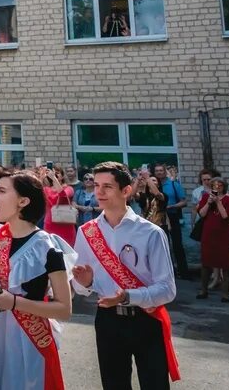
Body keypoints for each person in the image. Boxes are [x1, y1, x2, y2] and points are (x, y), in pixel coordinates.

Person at [72, 161, 179, 390]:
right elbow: (81, 287)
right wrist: (86, 282)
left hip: (146, 318)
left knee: (154, 383)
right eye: (96, 185)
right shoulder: (86, 232)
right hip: (108, 319)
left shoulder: (150, 232)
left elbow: (167, 289)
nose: (98, 192)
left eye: (107, 186)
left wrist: (127, 296)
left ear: (126, 190)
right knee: (114, 384)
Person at [0, 171, 75, 390]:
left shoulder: (46, 247)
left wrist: (14, 303)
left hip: (27, 340)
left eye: (2, 191)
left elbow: (64, 309)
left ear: (23, 201)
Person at [196, 177, 229, 302]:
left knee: (226, 263)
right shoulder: (205, 198)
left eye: (220, 185)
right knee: (206, 262)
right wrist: (208, 202)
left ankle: (225, 293)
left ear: (224, 187)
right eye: (214, 185)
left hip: (224, 234)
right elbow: (202, 214)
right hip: (208, 233)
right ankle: (203, 290)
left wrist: (218, 202)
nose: (217, 187)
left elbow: (225, 216)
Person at [152, 164, 188, 279]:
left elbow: (184, 202)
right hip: (158, 218)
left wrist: (172, 206)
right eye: (157, 171)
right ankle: (167, 273)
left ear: (165, 171)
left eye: (161, 170)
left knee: (177, 245)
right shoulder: (153, 186)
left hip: (172, 216)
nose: (159, 173)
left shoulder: (173, 184)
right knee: (162, 246)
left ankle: (183, 272)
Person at [41, 166, 77, 246]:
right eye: (52, 173)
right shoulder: (46, 189)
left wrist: (54, 179)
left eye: (57, 173)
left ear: (62, 176)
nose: (54, 175)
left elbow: (63, 197)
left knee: (67, 253)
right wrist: (41, 177)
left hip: (65, 225)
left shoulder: (69, 188)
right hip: (50, 225)